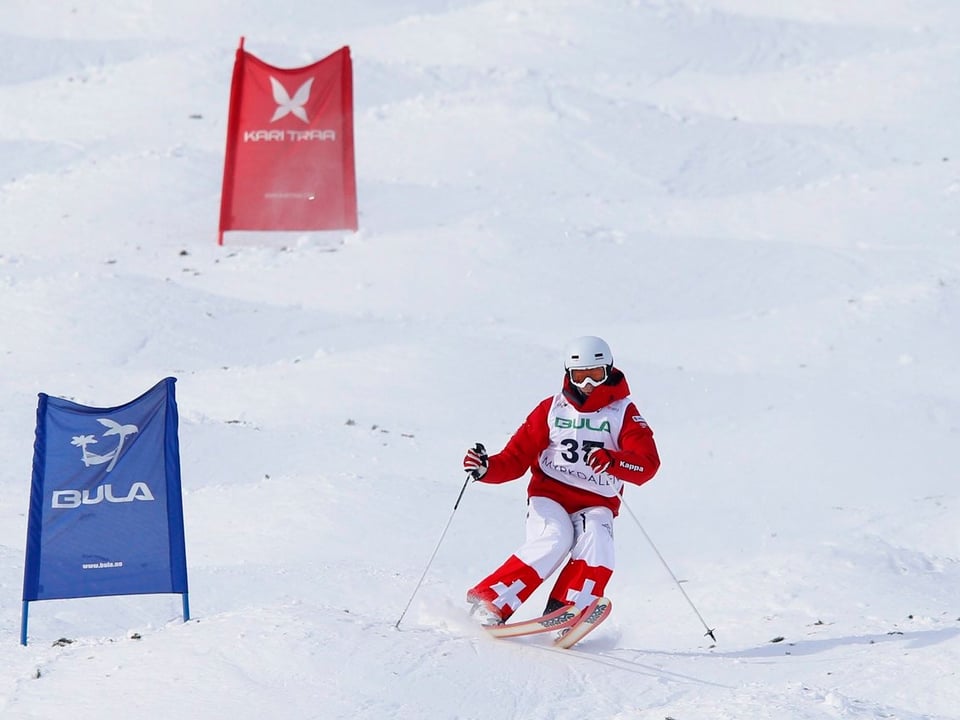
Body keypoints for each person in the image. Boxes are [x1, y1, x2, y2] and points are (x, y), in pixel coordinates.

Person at [462, 335, 660, 626]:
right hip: (550, 493)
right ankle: (491, 602)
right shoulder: (552, 409)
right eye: (581, 376)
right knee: (555, 537)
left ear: (609, 371)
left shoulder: (623, 413)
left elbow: (647, 465)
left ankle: (568, 610)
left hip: (596, 500)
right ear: (568, 374)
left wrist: (614, 461)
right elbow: (516, 457)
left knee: (598, 540)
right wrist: (485, 468)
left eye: (596, 375)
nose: (588, 384)